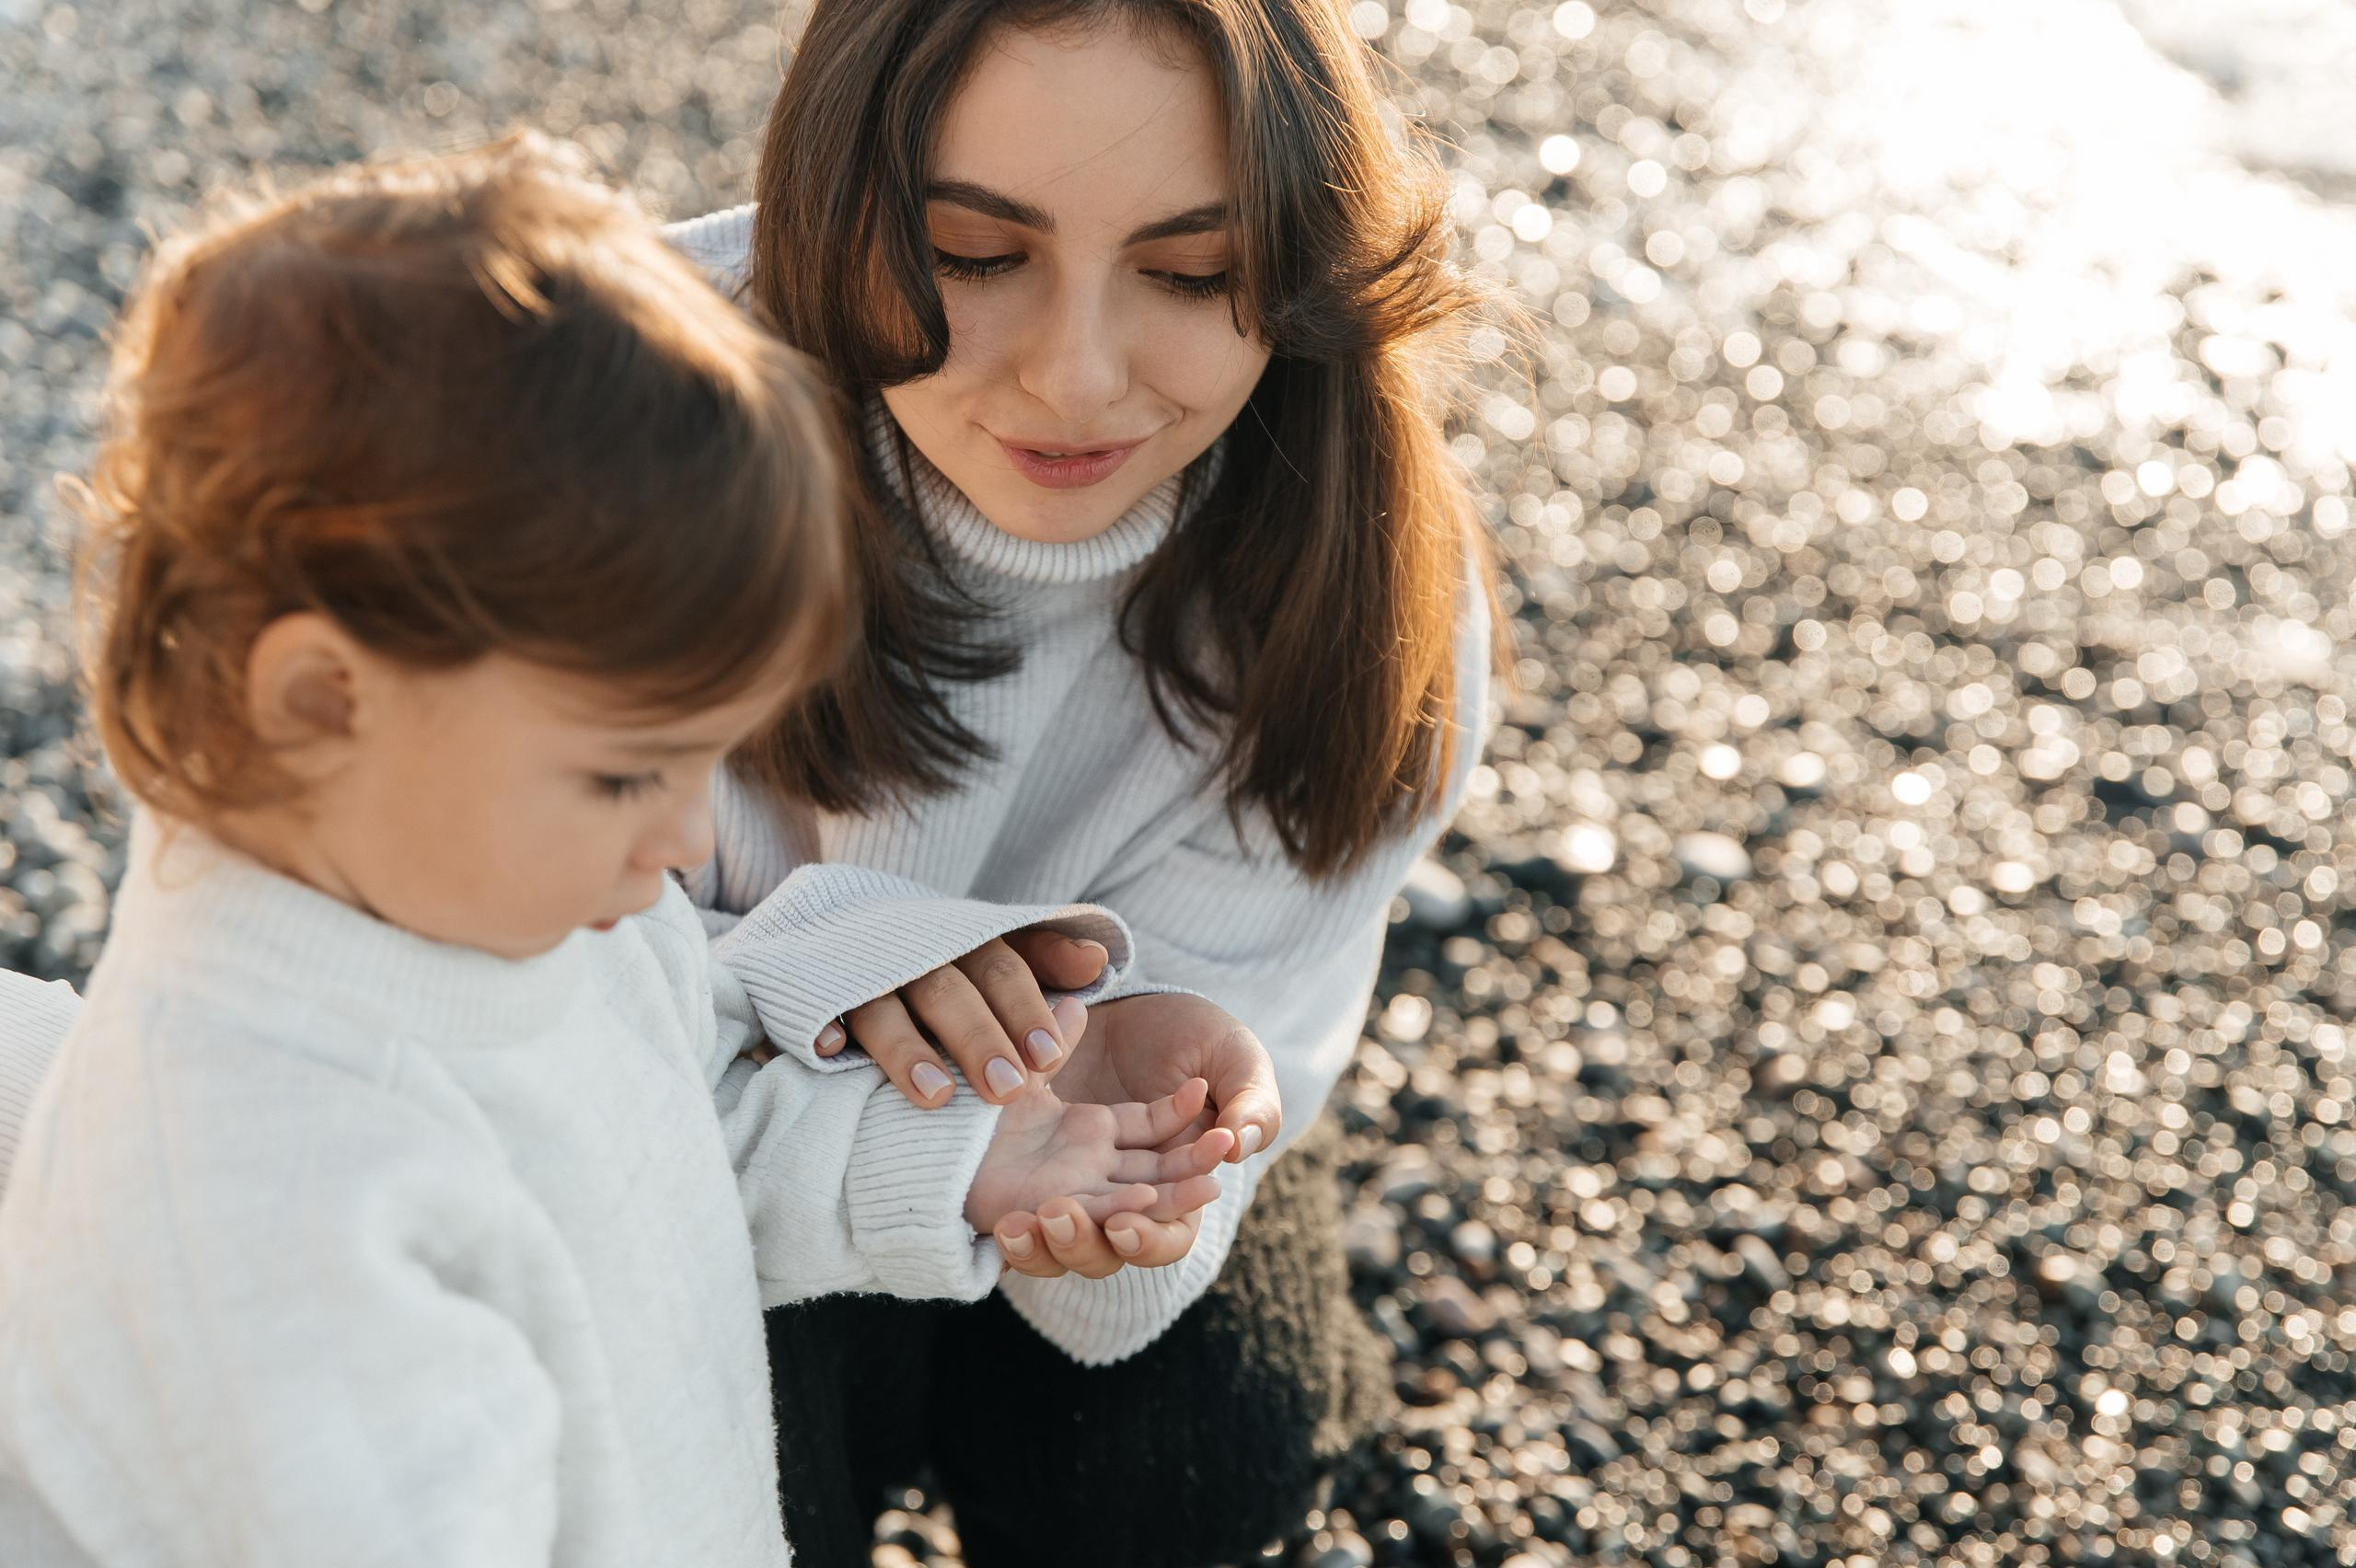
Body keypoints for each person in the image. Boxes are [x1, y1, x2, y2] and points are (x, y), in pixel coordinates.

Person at [0, 134, 1232, 1566]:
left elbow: (675, 1121)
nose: (685, 837)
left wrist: (955, 1159)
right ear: (323, 701)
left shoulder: (504, 904)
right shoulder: (275, 1218)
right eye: (625, 770)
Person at [657, 3, 1501, 1562]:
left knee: (1195, 1459)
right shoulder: (592, 446)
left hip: (1016, 1165)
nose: (1080, 377)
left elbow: (1146, 1219)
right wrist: (834, 968)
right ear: (832, 203)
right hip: (680, 1158)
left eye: (1192, 274)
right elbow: (483, 1068)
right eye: (977, 254)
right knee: (695, 1464)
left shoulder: (1361, 573)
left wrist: (1137, 1173)